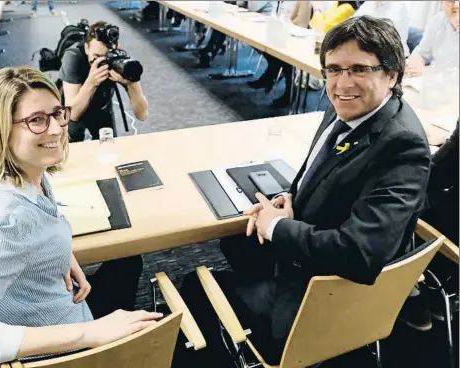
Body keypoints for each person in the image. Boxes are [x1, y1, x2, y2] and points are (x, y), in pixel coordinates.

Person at [178, 15, 431, 367]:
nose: (343, 83)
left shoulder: (402, 146)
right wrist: (290, 200)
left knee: (192, 285)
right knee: (234, 241)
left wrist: (276, 227)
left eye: (359, 69)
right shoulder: (351, 106)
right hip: (316, 242)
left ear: (392, 74)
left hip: (326, 293)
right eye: (334, 69)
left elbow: (358, 254)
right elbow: (322, 169)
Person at [0, 66, 159, 368]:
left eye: (58, 113)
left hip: (51, 305)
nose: (57, 129)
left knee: (127, 260)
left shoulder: (22, 170)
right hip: (59, 346)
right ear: (1, 129)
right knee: (130, 265)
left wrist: (56, 251)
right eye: (36, 121)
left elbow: (31, 225)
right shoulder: (5, 220)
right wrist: (90, 332)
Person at [60, 21, 149, 142]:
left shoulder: (120, 58)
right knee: (72, 146)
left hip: (102, 106)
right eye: (97, 56)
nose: (103, 63)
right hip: (73, 103)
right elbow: (73, 114)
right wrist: (91, 82)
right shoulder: (73, 57)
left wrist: (130, 83)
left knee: (109, 146)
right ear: (86, 48)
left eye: (107, 57)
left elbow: (142, 114)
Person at [406, 0, 459, 77]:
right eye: (451, 0)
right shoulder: (436, 21)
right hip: (433, 82)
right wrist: (415, 63)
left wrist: (428, 71)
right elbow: (421, 53)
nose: (456, 5)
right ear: (442, 3)